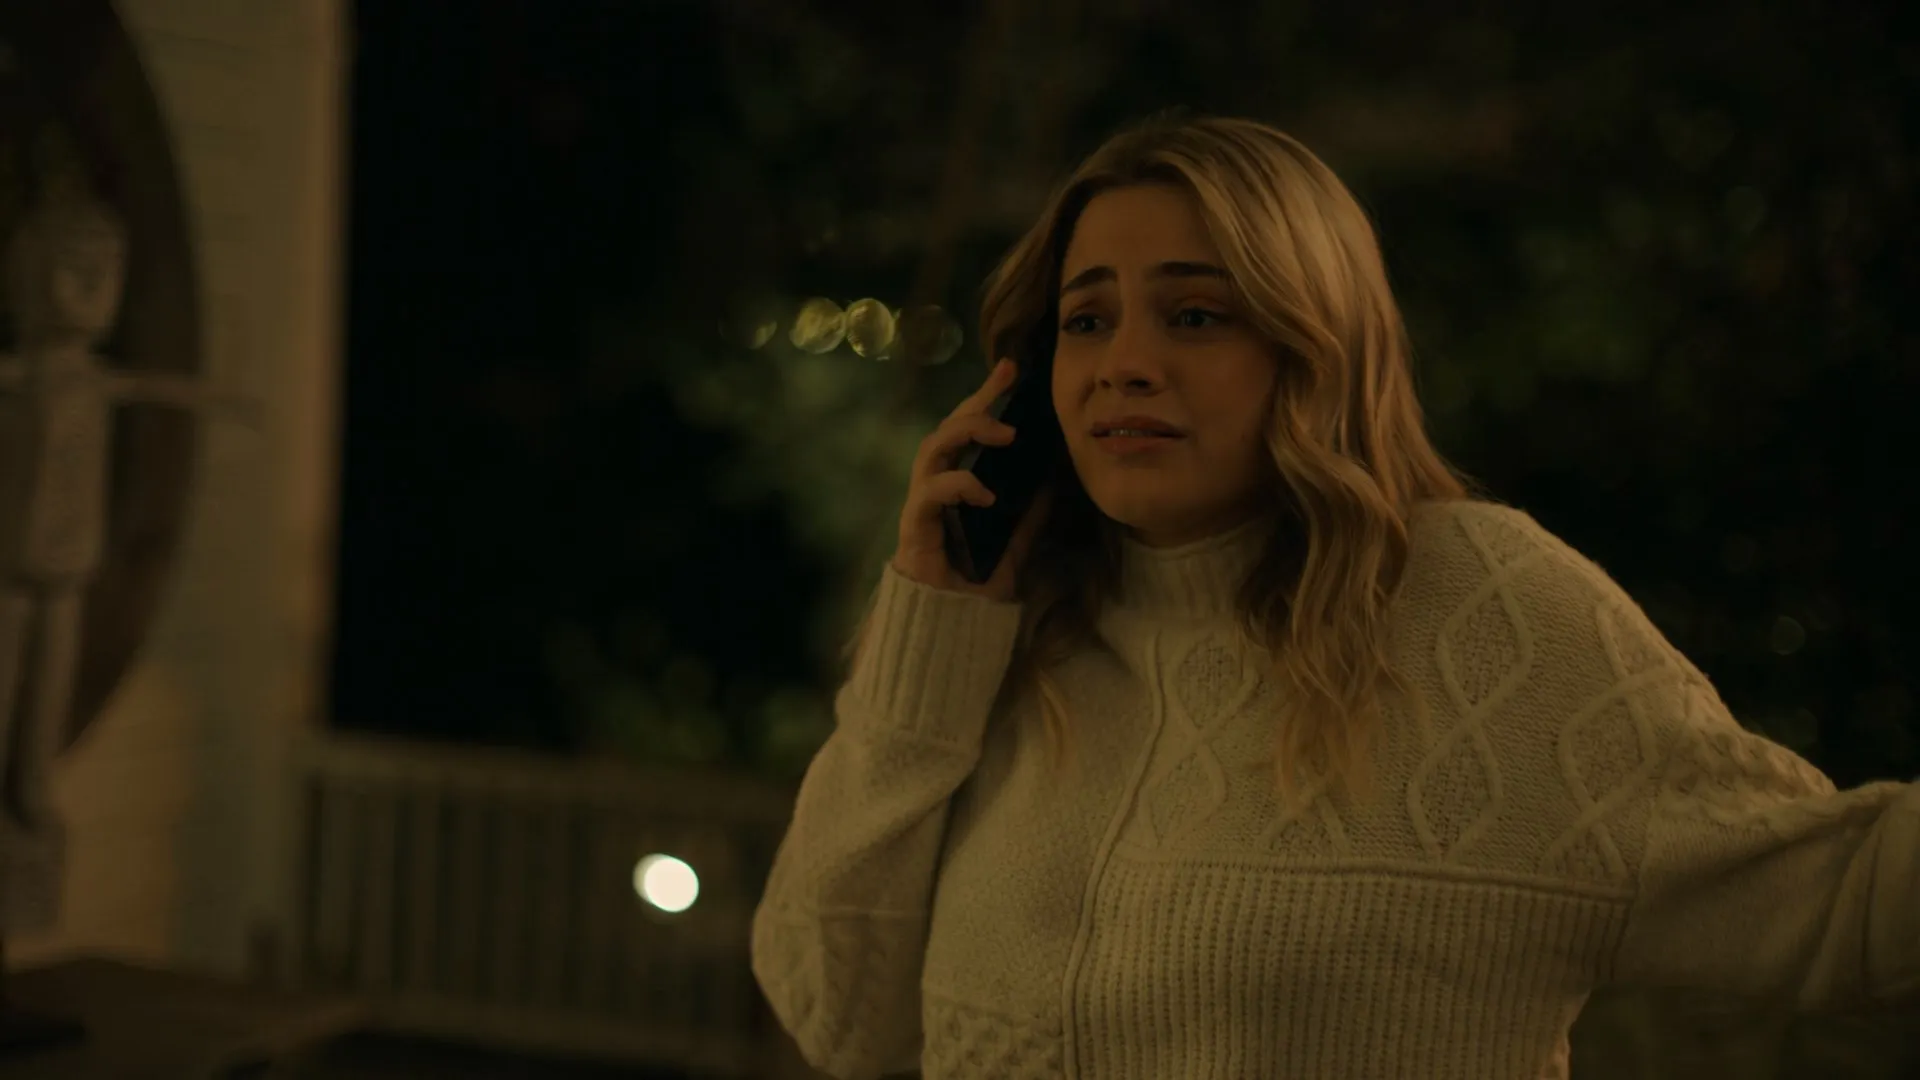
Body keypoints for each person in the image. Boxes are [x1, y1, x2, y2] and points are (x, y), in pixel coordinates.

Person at [749, 113, 1920, 1080]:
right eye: (1087, 320)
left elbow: (1850, 905)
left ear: (1316, 347)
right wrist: (932, 633)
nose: (1125, 365)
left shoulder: (1488, 611)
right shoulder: (1008, 651)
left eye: (1195, 315)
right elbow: (838, 1018)